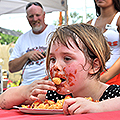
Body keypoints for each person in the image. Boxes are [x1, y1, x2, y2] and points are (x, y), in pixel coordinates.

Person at [1, 23, 120, 115]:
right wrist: (25, 91)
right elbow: (3, 101)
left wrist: (98, 107)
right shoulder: (56, 96)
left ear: (94, 66)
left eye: (67, 58)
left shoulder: (113, 94)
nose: (55, 66)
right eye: (52, 59)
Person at [8, 2, 56, 85]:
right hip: (26, 85)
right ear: (27, 18)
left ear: (44, 15)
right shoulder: (22, 39)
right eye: (31, 16)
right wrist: (27, 55)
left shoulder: (55, 32)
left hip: (49, 83)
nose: (34, 19)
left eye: (38, 15)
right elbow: (11, 68)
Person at [87, 0, 120, 85]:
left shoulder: (118, 19)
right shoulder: (89, 24)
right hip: (94, 76)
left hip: (116, 77)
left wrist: (103, 78)